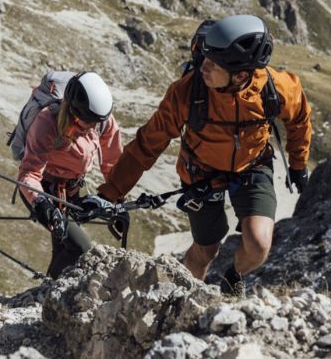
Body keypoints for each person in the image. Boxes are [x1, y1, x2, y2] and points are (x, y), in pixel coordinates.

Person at [97, 15, 312, 296]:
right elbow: (146, 145)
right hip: (200, 172)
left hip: (252, 166)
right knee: (206, 248)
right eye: (204, 59)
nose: (203, 68)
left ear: (241, 73)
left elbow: (299, 119)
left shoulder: (275, 88)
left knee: (259, 245)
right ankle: (182, 297)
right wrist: (111, 194)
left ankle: (232, 278)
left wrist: (298, 164)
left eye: (213, 64)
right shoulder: (186, 92)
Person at [17, 71, 123, 279]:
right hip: (45, 192)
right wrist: (41, 204)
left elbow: (113, 163)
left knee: (64, 248)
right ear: (75, 113)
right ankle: (50, 293)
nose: (94, 127)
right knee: (80, 247)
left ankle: (47, 294)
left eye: (97, 121)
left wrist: (118, 198)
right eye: (89, 122)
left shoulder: (100, 118)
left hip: (72, 191)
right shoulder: (47, 122)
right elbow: (29, 173)